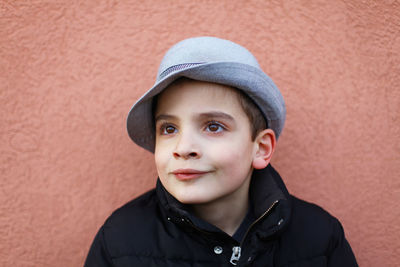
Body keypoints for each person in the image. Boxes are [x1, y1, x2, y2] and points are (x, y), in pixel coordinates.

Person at [84, 37, 358, 266]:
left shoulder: (320, 238)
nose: (184, 148)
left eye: (213, 126)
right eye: (169, 129)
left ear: (260, 148)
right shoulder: (120, 241)